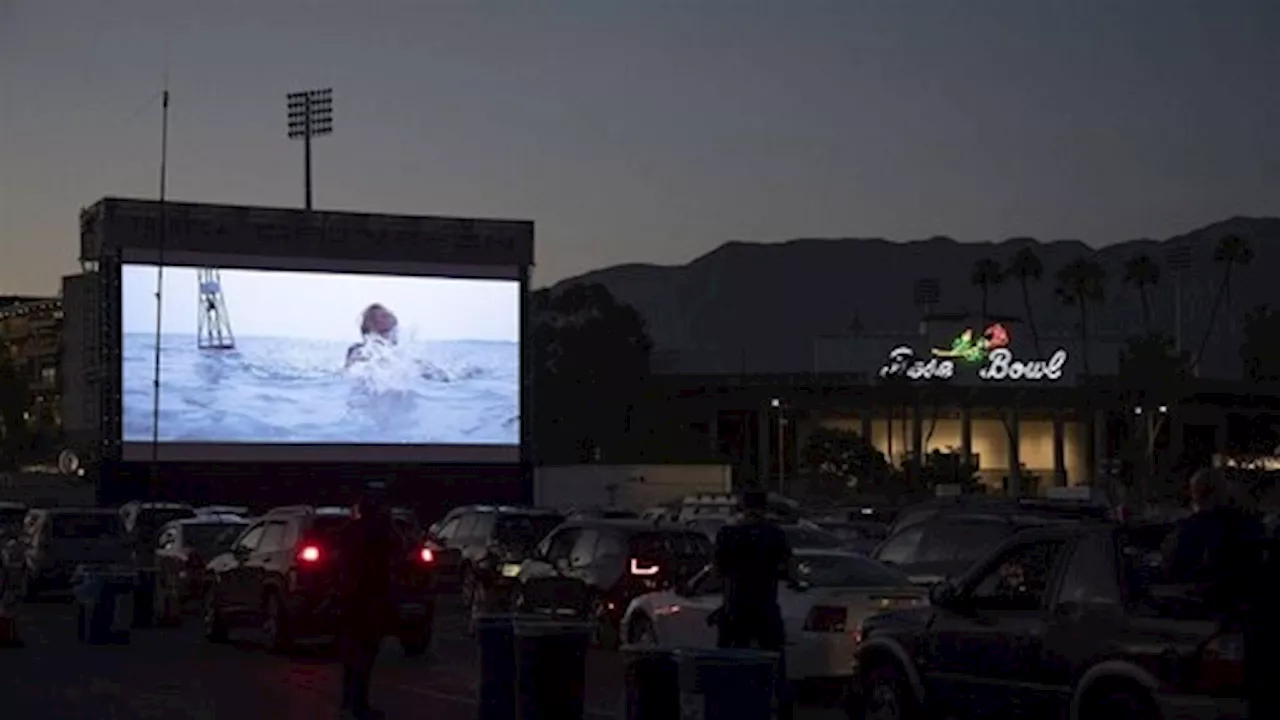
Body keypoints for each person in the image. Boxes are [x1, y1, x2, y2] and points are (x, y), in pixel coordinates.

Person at [1163, 468, 1269, 715]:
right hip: (1251, 621)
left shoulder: (1191, 530)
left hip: (1213, 618)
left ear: (1196, 495)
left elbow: (1171, 570)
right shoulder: (1248, 527)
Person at [711, 489, 794, 720]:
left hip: (735, 607)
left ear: (742, 506)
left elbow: (718, 570)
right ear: (764, 507)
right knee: (776, 662)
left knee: (728, 660)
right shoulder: (775, 535)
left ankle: (726, 706)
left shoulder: (727, 534)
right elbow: (786, 568)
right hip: (765, 605)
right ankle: (781, 708)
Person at [338, 481, 399, 719]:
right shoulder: (381, 531)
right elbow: (398, 548)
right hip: (370, 597)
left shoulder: (350, 530)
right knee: (365, 652)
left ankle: (349, 699)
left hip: (352, 597)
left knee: (353, 651)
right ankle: (358, 703)